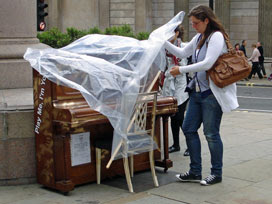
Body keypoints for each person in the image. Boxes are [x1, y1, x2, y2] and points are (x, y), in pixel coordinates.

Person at [164, 5, 238, 186]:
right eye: (192, 24)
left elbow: (207, 63)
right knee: (189, 129)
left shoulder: (217, 36)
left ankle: (216, 173)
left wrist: (180, 70)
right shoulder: (199, 37)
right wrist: (161, 41)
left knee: (211, 133)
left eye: (196, 23)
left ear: (207, 20)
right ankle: (195, 171)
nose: (194, 27)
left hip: (212, 93)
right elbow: (182, 52)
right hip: (197, 92)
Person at [163, 25, 189, 156]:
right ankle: (176, 144)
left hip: (181, 85)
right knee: (173, 116)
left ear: (177, 33)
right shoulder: (166, 48)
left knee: (180, 117)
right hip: (170, 85)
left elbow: (184, 66)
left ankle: (190, 144)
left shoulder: (183, 47)